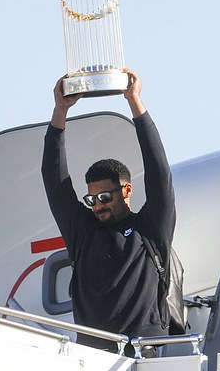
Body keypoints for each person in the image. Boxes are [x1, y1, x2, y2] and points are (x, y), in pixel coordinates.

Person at [41, 68, 176, 358]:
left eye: (104, 196)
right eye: (92, 199)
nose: (98, 204)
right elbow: (54, 181)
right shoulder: (84, 232)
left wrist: (134, 101)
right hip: (93, 355)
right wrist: (59, 112)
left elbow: (160, 173)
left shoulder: (150, 228)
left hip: (143, 352)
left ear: (126, 190)